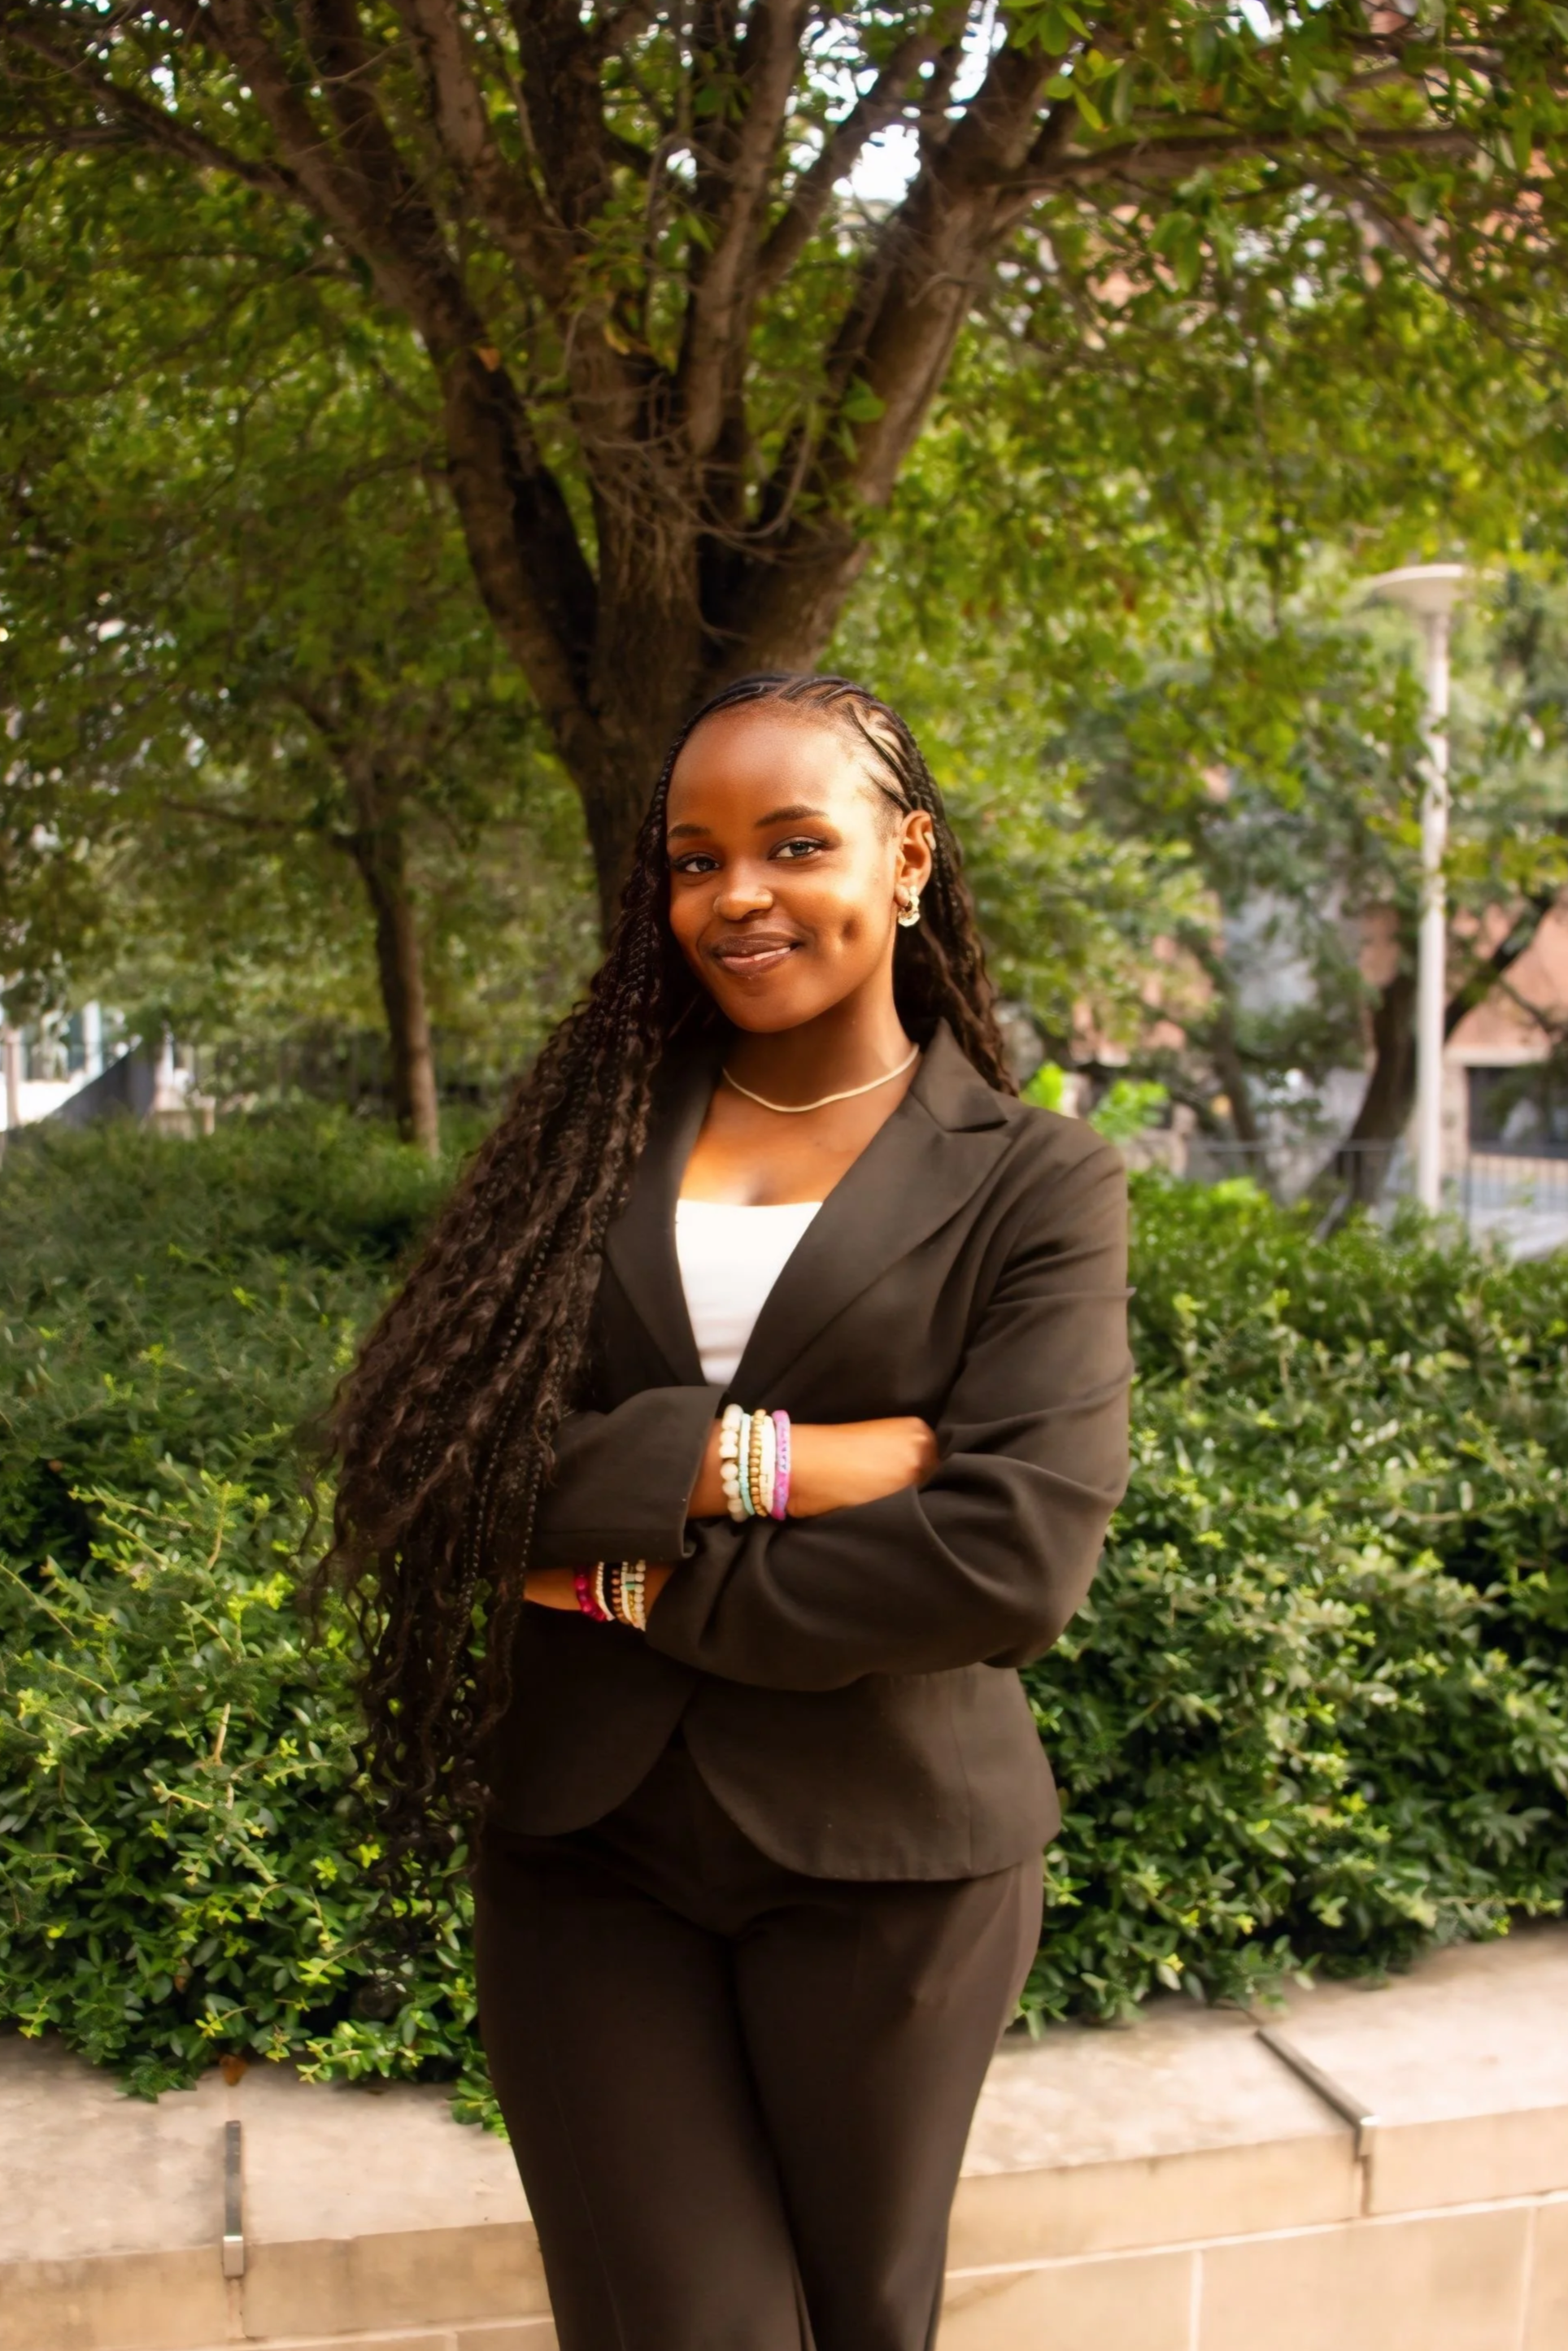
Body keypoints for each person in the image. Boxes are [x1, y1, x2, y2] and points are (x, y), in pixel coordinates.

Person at [325, 673, 1131, 2351]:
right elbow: (434, 1462)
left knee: (860, 2320)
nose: (735, 893)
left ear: (906, 859)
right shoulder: (582, 1145)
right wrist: (770, 1465)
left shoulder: (1034, 1180)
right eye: (693, 858)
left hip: (891, 1859)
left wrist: (615, 1577)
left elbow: (1007, 1556)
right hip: (585, 1847)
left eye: (791, 842)